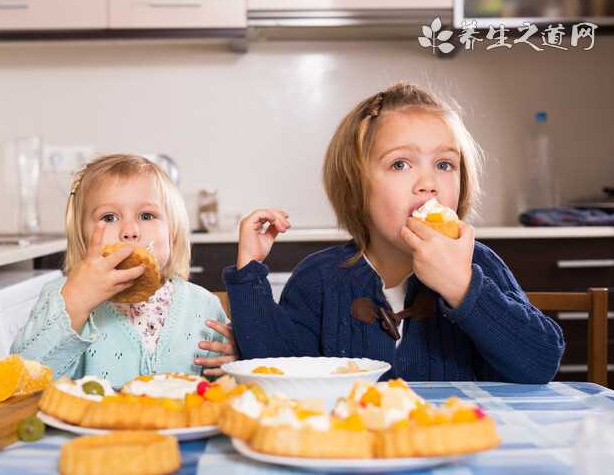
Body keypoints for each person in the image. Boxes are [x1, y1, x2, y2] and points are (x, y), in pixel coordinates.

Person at [224, 83, 564, 383]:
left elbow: (540, 363)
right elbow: (276, 369)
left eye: (444, 164)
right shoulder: (320, 279)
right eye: (400, 164)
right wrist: (249, 271)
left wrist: (463, 288)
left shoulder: (478, 265)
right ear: (356, 189)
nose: (428, 184)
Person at [12, 154, 237, 387]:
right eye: (109, 217)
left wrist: (233, 362)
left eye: (146, 216)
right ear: (82, 237)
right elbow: (24, 379)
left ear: (172, 232)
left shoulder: (203, 305)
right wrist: (75, 303)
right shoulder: (62, 296)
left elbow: (222, 388)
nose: (130, 231)